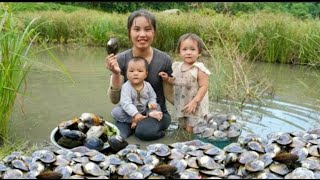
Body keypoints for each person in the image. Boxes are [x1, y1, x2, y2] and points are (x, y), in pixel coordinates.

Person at [105, 9, 173, 141]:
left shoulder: (163, 59)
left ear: (154, 32)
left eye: (147, 29)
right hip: (129, 112)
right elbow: (114, 100)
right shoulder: (121, 59)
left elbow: (169, 94)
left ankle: (144, 126)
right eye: (136, 29)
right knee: (117, 137)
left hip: (155, 112)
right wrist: (115, 74)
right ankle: (134, 121)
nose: (142, 34)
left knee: (143, 132)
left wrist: (189, 107)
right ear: (129, 33)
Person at [159, 33, 211, 133]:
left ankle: (192, 143)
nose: (188, 52)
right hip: (182, 104)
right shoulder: (177, 66)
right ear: (179, 52)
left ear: (199, 52)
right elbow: (176, 81)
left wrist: (195, 102)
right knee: (182, 126)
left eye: (192, 49)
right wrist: (167, 79)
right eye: (184, 49)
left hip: (195, 105)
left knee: (191, 129)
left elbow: (204, 86)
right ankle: (181, 143)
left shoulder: (199, 69)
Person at [111, 57, 163, 130]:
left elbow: (152, 97)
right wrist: (135, 114)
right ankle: (134, 120)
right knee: (116, 112)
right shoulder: (126, 87)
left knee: (157, 106)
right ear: (126, 73)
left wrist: (152, 104)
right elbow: (126, 103)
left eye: (140, 71)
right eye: (131, 71)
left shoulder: (148, 85)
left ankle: (149, 115)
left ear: (146, 74)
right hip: (129, 113)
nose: (135, 73)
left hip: (145, 110)